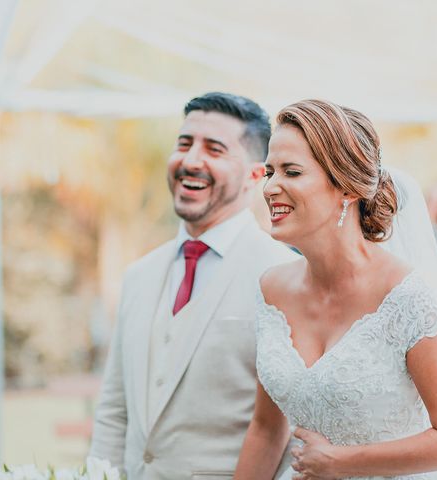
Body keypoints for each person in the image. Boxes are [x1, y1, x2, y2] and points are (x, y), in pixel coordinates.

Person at [235, 99, 437, 479]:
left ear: (346, 187)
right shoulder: (272, 288)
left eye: (292, 172)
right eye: (270, 172)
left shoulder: (407, 298)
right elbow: (265, 428)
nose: (272, 187)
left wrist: (337, 463)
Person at [89, 92, 297, 479]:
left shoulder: (285, 274)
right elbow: (114, 411)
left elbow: (291, 430)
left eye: (214, 149)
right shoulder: (139, 275)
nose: (190, 160)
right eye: (184, 144)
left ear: (256, 174)